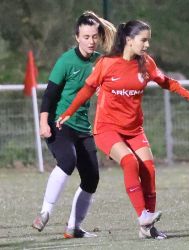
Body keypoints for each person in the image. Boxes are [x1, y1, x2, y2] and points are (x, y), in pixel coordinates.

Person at [56, 20, 189, 240]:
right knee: (129, 161)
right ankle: (143, 216)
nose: (146, 45)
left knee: (149, 169)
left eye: (148, 40)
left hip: (134, 129)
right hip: (106, 129)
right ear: (128, 40)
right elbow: (88, 89)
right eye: (143, 40)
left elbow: (166, 82)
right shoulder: (107, 63)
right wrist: (69, 111)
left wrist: (188, 94)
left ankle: (148, 228)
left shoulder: (146, 63)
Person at [32, 11, 116, 238]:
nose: (90, 41)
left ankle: (73, 227)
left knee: (92, 179)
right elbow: (49, 96)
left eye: (94, 36)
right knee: (67, 161)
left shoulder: (100, 62)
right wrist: (43, 123)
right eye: (86, 36)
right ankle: (45, 212)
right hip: (59, 123)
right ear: (77, 37)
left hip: (83, 128)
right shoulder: (66, 61)